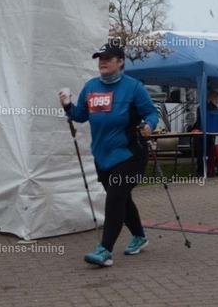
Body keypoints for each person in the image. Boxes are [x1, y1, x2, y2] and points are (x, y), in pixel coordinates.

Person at [59, 43, 158, 267]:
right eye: (100, 58)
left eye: (108, 58)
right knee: (122, 198)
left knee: (115, 198)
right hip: (102, 156)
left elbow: (151, 113)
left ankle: (105, 250)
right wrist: (67, 105)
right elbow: (80, 115)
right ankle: (140, 236)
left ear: (120, 61)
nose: (102, 62)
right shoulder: (91, 86)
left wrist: (149, 125)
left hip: (130, 154)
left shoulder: (133, 87)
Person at [191, 90, 218, 177]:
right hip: (202, 133)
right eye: (216, 99)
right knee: (202, 152)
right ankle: (201, 170)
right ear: (211, 98)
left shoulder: (214, 107)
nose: (217, 101)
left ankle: (208, 169)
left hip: (210, 133)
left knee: (209, 151)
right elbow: (202, 120)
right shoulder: (202, 107)